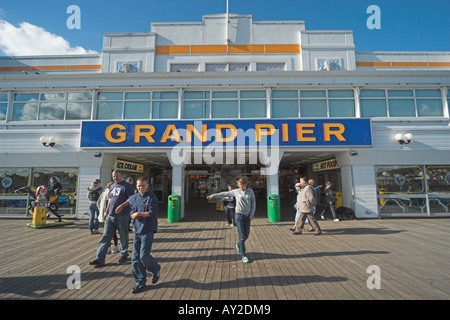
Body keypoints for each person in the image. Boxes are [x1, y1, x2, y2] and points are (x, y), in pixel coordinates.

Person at [89, 170, 135, 267]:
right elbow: (110, 199)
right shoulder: (112, 186)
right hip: (110, 215)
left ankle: (123, 254)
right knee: (105, 236)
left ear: (121, 176)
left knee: (123, 235)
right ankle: (99, 258)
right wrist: (106, 211)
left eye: (117, 176)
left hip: (122, 215)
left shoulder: (127, 186)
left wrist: (122, 205)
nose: (115, 178)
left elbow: (132, 199)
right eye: (113, 176)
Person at [207, 177, 256, 263]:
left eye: (241, 185)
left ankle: (238, 245)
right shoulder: (236, 191)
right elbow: (225, 193)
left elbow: (253, 204)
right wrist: (213, 195)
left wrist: (252, 215)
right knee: (241, 235)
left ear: (245, 184)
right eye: (239, 185)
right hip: (239, 215)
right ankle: (243, 254)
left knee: (246, 235)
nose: (239, 186)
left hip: (247, 216)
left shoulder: (250, 191)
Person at [128, 176, 161, 294]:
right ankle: (140, 282)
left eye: (142, 185)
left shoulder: (152, 197)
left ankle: (155, 269)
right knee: (135, 258)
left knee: (143, 256)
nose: (140, 188)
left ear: (147, 186)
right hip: (137, 229)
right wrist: (133, 215)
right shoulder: (135, 197)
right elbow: (131, 210)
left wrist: (139, 213)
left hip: (148, 229)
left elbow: (152, 212)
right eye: (138, 185)